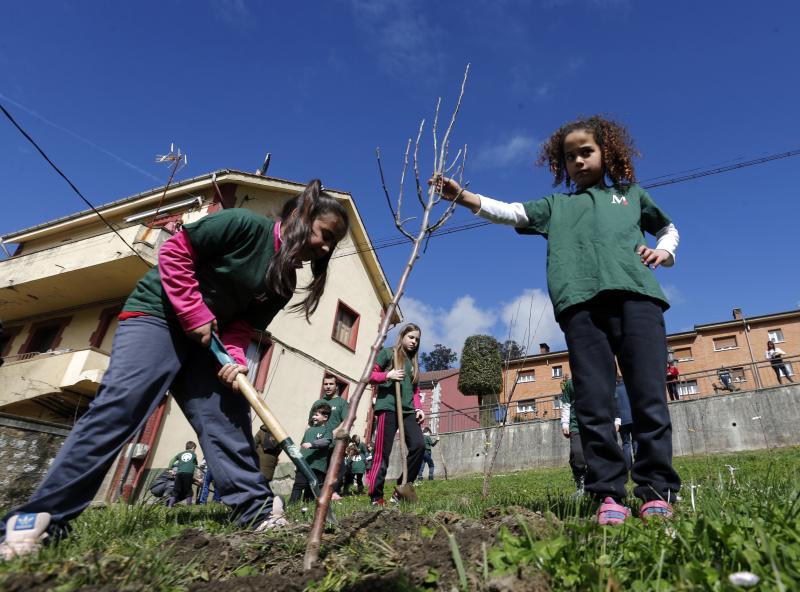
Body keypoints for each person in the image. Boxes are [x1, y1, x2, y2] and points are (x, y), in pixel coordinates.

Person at [0, 180, 349, 560]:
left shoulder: (283, 281)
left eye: (332, 243)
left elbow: (241, 326)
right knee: (122, 407)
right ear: (301, 215)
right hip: (158, 316)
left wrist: (232, 358)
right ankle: (39, 519)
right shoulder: (243, 225)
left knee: (227, 421)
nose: (326, 248)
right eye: (325, 234)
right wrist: (193, 311)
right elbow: (174, 253)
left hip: (207, 340)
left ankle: (256, 510)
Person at [432, 115, 682, 524]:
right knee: (594, 404)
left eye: (587, 152)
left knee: (649, 397)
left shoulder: (630, 196)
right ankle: (608, 495)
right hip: (580, 308)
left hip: (638, 301)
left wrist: (664, 253)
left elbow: (668, 228)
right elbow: (511, 212)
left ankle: (656, 490)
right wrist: (465, 197)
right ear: (561, 165)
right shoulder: (555, 207)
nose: (579, 161)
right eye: (570, 157)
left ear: (607, 153)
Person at [365, 323, 425, 505]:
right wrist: (387, 375)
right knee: (382, 453)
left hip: (407, 411)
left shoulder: (413, 363)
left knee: (419, 445)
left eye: (417, 339)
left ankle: (401, 488)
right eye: (411, 337)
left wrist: (418, 407)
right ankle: (376, 496)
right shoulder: (388, 353)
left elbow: (414, 390)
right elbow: (369, 375)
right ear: (402, 336)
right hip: (388, 408)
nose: (414, 341)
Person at [309, 375, 350, 497]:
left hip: (334, 443)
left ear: (336, 386)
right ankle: (315, 493)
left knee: (335, 469)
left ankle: (332, 492)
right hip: (318, 442)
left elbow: (347, 420)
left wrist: (335, 431)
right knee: (318, 468)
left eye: (331, 384)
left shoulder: (341, 402)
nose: (328, 386)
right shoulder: (318, 403)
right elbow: (311, 422)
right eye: (325, 384)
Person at [289, 404, 332, 504]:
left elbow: (326, 441)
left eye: (316, 415)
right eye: (313, 415)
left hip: (317, 466)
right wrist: (297, 462)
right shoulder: (309, 430)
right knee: (298, 485)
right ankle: (291, 506)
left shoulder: (326, 430)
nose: (313, 417)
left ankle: (308, 506)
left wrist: (312, 444)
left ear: (325, 417)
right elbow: (302, 447)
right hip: (304, 464)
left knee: (312, 488)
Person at [559, 377, 586, 496]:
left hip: (595, 424)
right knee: (577, 454)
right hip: (576, 425)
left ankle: (597, 484)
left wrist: (616, 419)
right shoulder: (570, 384)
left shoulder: (596, 378)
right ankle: (581, 483)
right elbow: (566, 404)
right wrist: (565, 423)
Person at [167, 441, 198, 506]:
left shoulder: (180, 454)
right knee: (188, 490)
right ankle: (189, 506)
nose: (194, 450)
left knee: (176, 489)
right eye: (195, 449)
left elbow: (172, 460)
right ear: (193, 448)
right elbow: (196, 463)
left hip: (179, 473)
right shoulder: (194, 454)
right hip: (188, 474)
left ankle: (170, 505)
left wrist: (170, 469)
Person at [614, 376, 635, 471]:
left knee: (626, 443)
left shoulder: (614, 390)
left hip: (621, 421)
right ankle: (639, 463)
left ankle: (628, 466)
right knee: (636, 440)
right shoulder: (629, 388)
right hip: (633, 418)